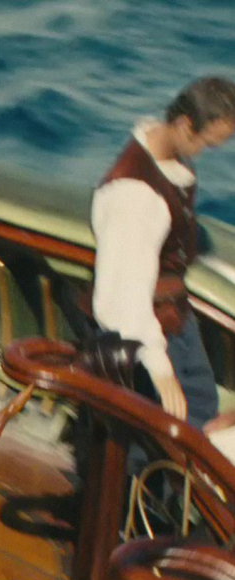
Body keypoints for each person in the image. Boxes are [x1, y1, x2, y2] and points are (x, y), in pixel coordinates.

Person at [91, 76, 235, 428]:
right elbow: (120, 295)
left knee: (202, 410)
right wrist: (159, 367)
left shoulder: (172, 164)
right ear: (185, 125)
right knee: (170, 433)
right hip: (148, 332)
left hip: (176, 317)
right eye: (206, 143)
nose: (205, 153)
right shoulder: (133, 195)